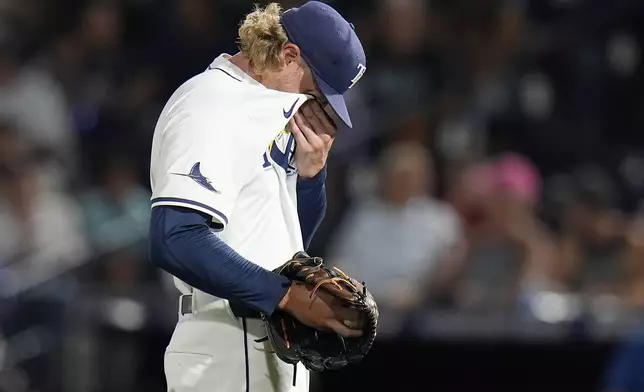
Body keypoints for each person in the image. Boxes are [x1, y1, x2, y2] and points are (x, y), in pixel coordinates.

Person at [147, 2, 367, 392]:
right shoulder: (213, 103)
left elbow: (291, 240)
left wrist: (310, 176)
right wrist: (284, 296)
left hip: (261, 339)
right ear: (288, 55)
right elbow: (174, 236)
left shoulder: (265, 108)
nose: (315, 106)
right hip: (227, 340)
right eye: (315, 90)